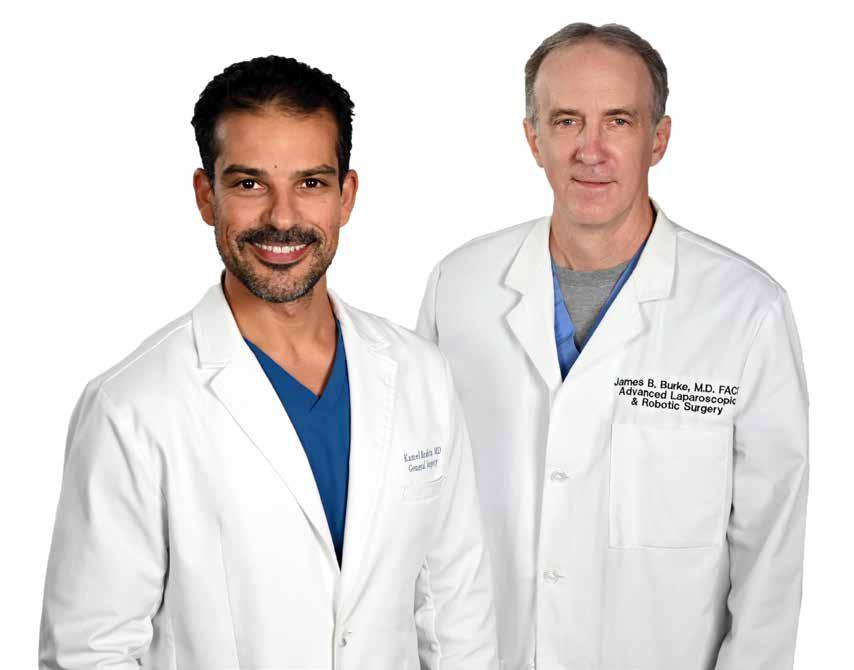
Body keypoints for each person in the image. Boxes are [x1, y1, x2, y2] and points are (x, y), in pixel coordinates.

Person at [40, 55, 498, 670]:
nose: (282, 218)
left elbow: (457, 616)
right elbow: (90, 653)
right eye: (249, 184)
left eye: (310, 184)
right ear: (206, 196)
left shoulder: (420, 374)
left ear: (346, 196)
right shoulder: (133, 407)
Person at [417, 23, 808, 670]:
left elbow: (771, 552)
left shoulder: (744, 310)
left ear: (658, 139)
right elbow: (421, 508)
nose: (590, 150)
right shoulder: (459, 288)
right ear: (533, 139)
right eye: (566, 121)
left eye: (618, 122)